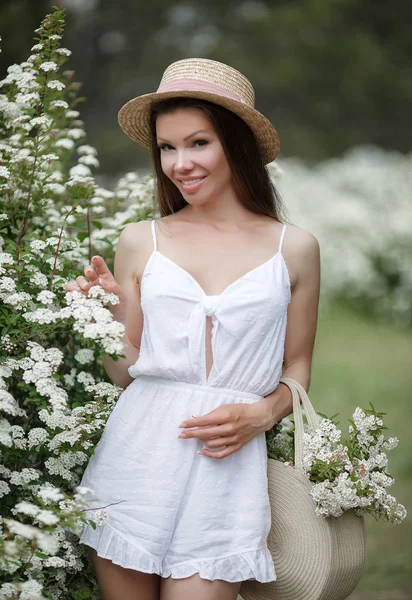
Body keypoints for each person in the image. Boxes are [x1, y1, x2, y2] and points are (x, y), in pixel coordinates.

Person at [67, 58, 320, 600]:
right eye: (166, 147)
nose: (179, 163)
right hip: (136, 458)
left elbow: (297, 366)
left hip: (224, 472)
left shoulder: (293, 247)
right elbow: (126, 375)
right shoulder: (141, 240)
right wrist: (107, 314)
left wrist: (262, 412)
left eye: (198, 143)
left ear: (236, 144)